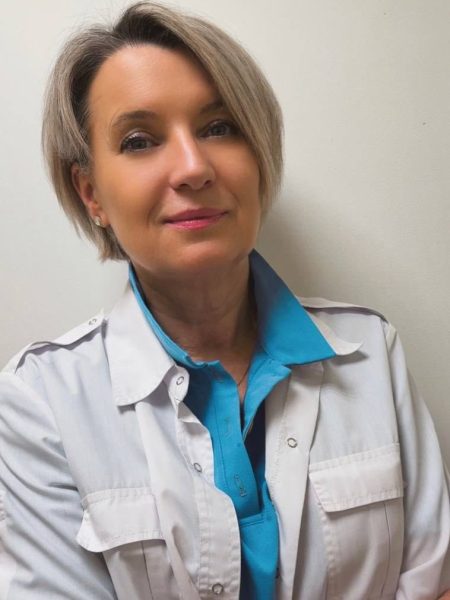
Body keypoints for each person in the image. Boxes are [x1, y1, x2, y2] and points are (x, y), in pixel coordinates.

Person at [0, 2, 449, 598]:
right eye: (139, 140)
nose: (193, 167)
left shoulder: (369, 352)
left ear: (258, 157)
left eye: (218, 128)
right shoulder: (41, 402)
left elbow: (434, 581)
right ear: (91, 195)